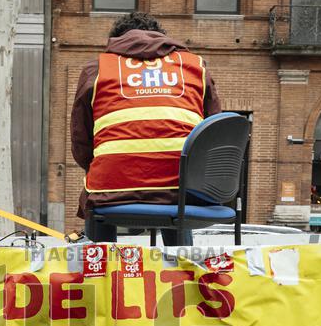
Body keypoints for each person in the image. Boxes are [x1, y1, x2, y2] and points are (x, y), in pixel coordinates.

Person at [70, 12, 221, 242]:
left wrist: (104, 170)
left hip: (112, 192)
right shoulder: (194, 66)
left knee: (95, 195)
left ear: (117, 41)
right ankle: (181, 265)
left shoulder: (96, 69)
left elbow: (81, 140)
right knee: (180, 191)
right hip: (182, 192)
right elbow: (213, 133)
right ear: (161, 38)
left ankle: (103, 269)